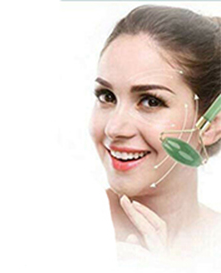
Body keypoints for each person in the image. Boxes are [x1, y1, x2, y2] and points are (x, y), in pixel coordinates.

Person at [90, 5, 221, 257]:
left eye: (150, 101)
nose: (114, 128)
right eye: (107, 96)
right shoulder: (60, 229)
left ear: (212, 125)